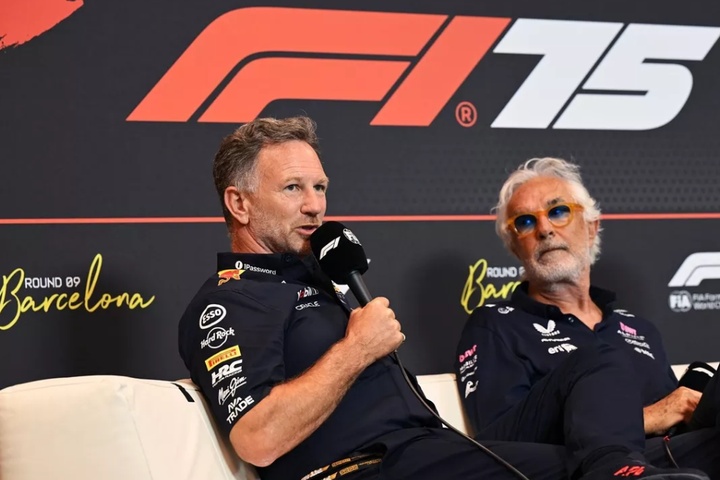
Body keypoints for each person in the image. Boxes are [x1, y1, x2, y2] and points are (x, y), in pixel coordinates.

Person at [178, 117, 703, 480]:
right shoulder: (229, 302)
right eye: (294, 188)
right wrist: (357, 349)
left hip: (436, 452)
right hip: (365, 469)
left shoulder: (325, 282)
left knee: (646, 446)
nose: (316, 206)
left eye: (321, 187)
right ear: (239, 204)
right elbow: (257, 439)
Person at [456, 157, 719, 479]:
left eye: (558, 211)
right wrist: (650, 417)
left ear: (592, 228)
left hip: (681, 458)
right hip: (589, 469)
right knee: (597, 358)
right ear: (515, 247)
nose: (544, 229)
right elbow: (497, 448)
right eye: (525, 221)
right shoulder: (496, 325)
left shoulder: (640, 329)